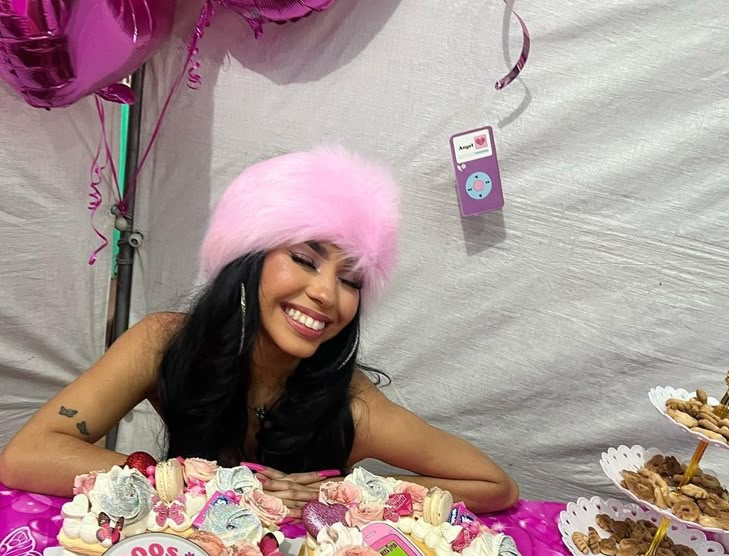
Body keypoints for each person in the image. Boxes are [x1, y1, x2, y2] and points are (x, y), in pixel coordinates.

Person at [0, 147, 518, 515]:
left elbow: (494, 486)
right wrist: (192, 485)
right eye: (303, 259)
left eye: (350, 279)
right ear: (248, 258)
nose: (326, 295)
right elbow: (27, 457)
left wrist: (348, 492)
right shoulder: (167, 343)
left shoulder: (352, 406)